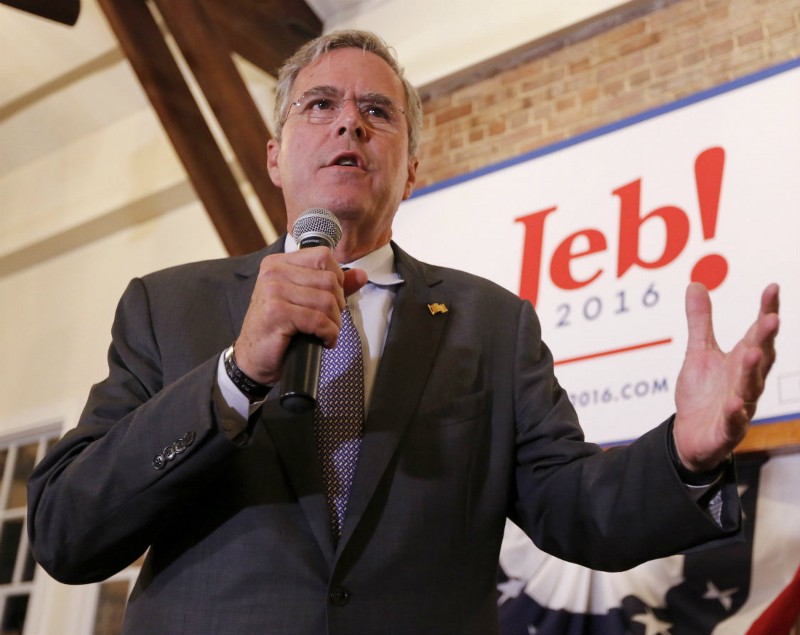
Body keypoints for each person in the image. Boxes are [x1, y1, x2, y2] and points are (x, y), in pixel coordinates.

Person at [27, 30, 780, 635]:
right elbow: (66, 531)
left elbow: (572, 506)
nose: (350, 121)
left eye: (377, 112)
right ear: (274, 157)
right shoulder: (167, 305)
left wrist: (685, 452)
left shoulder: (493, 323)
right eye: (319, 105)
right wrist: (233, 376)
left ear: (411, 168)